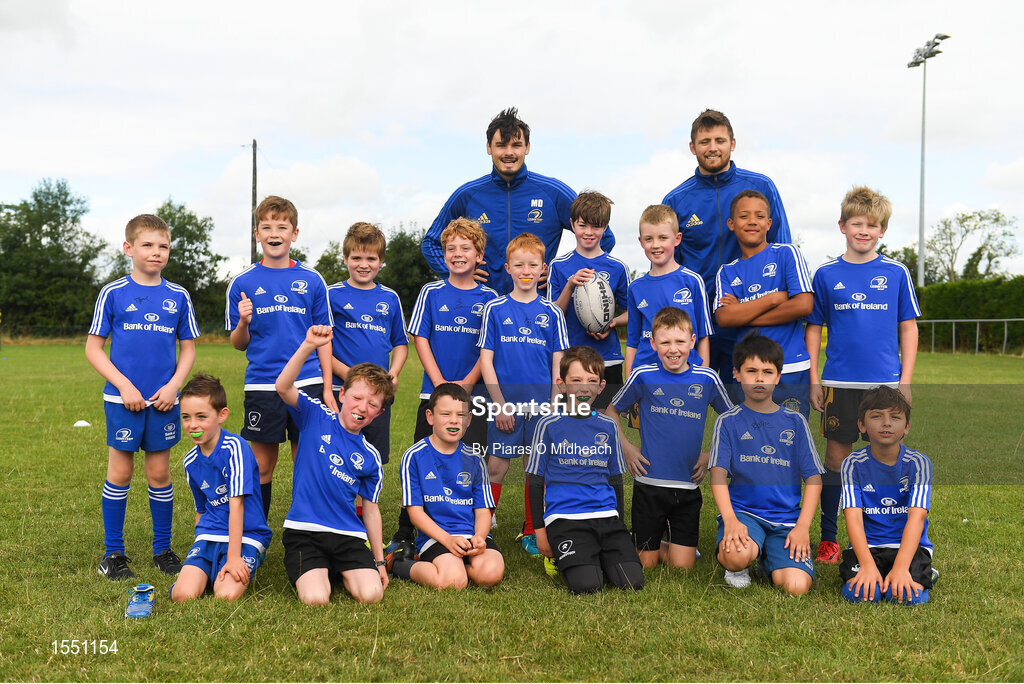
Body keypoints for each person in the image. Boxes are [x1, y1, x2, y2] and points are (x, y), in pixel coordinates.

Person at [805, 186, 921, 563]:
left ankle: (877, 536)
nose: (864, 231)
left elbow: (908, 327)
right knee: (836, 461)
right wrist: (814, 378)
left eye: (873, 225)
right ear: (842, 225)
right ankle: (829, 538)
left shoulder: (895, 272)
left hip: (884, 386)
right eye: (857, 223)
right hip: (839, 384)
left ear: (882, 231)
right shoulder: (825, 274)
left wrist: (905, 381)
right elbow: (813, 328)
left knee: (884, 457)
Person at [86, 213, 199, 580]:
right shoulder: (113, 293)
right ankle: (113, 555)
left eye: (163, 246)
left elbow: (188, 350)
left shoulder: (178, 295)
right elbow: (93, 349)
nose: (156, 252)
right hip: (123, 401)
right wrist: (124, 385)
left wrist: (174, 387)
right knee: (120, 473)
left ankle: (163, 550)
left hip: (164, 402)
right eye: (147, 245)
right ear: (128, 248)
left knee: (160, 473)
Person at [386, 218, 499, 560]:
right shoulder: (431, 292)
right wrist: (439, 383)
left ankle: (472, 530)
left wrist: (466, 383)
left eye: (466, 248)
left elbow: (489, 347)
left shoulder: (490, 298)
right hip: (431, 394)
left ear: (480, 255)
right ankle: (406, 532)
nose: (458, 254)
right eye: (451, 249)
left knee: (468, 464)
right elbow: (419, 336)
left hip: (474, 397)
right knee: (425, 464)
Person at [421, 107, 615, 295]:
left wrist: (565, 275)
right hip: (481, 308)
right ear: (489, 147)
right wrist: (457, 273)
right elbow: (431, 243)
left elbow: (604, 238)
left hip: (539, 312)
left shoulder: (553, 192)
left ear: (527, 147)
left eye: (516, 145)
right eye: (501, 145)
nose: (509, 152)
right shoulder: (467, 195)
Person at [225, 196, 336, 521]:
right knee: (262, 466)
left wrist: (328, 388)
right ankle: (255, 535)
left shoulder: (313, 280)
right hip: (263, 385)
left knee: (309, 462)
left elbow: (324, 339)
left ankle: (309, 530)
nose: (275, 233)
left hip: (308, 384)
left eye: (282, 226)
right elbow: (238, 344)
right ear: (257, 234)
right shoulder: (242, 283)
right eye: (267, 226)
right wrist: (243, 322)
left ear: (294, 233)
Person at [662, 109, 791, 381]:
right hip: (698, 319)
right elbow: (668, 265)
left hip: (752, 316)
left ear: (732, 144)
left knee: (752, 402)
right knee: (691, 404)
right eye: (704, 141)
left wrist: (771, 303)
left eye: (719, 140)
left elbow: (782, 248)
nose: (712, 148)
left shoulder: (761, 186)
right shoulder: (676, 200)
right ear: (692, 147)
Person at [606, 306, 731, 569]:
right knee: (645, 563)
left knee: (682, 566)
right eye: (664, 342)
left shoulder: (706, 378)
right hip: (649, 482)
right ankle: (639, 543)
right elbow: (611, 411)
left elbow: (732, 420)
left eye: (680, 342)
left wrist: (710, 456)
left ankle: (675, 547)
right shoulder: (643, 375)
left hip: (688, 486)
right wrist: (627, 448)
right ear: (653, 343)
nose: (673, 349)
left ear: (692, 342)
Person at [276, 326, 392, 605]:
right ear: (342, 395)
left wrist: (378, 561)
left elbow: (371, 509)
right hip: (305, 531)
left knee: (372, 594)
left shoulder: (370, 455)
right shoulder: (314, 415)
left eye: (372, 404)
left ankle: (341, 568)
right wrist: (307, 346)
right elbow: (282, 386)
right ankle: (321, 570)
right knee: (316, 598)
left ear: (379, 412)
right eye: (357, 397)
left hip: (347, 535)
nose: (362, 407)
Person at [709, 332, 824, 595]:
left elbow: (814, 480)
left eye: (767, 371)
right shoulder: (727, 421)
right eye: (751, 371)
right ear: (737, 374)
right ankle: (740, 565)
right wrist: (730, 520)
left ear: (778, 377)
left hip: (786, 521)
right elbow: (717, 476)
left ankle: (767, 555)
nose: (759, 378)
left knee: (797, 588)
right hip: (744, 515)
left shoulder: (796, 422)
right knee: (736, 555)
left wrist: (802, 527)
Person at [478, 232, 568, 557]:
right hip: (505, 408)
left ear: (543, 268)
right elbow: (486, 360)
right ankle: (482, 531)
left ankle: (531, 532)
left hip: (542, 408)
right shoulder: (496, 309)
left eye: (533, 264)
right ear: (508, 268)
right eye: (519, 264)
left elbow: (559, 363)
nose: (526, 270)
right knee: (496, 468)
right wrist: (499, 406)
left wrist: (556, 406)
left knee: (536, 468)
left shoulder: (553, 313)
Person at [528, 346, 644, 594]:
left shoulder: (607, 426)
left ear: (601, 387)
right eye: (576, 380)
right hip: (566, 519)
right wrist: (540, 532)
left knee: (631, 582)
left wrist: (619, 524)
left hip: (606, 517)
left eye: (592, 381)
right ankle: (568, 556)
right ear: (561, 384)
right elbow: (535, 480)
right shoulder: (548, 425)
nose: (584, 388)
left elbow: (615, 480)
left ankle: (600, 553)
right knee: (588, 585)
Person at [392, 383, 505, 589]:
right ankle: (401, 564)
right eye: (445, 414)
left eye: (461, 415)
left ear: (469, 419)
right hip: (437, 536)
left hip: (471, 535)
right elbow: (415, 513)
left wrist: (479, 537)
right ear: (430, 417)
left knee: (491, 574)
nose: (454, 420)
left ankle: (460, 567)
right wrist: (447, 540)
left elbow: (483, 512)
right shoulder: (415, 456)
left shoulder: (475, 459)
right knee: (453, 582)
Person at [171, 374, 272, 602]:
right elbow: (201, 509)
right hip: (210, 534)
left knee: (226, 595)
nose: (193, 425)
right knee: (182, 595)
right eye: (186, 417)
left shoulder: (235, 448)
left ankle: (248, 557)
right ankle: (205, 569)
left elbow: (237, 504)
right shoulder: (189, 461)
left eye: (201, 416)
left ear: (221, 415)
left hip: (246, 535)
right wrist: (197, 545)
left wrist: (234, 558)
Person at [714, 190, 813, 413]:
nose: (752, 221)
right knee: (750, 441)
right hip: (747, 371)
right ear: (731, 223)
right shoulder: (727, 272)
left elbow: (803, 305)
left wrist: (744, 313)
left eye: (759, 216)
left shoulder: (787, 254)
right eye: (744, 216)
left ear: (769, 224)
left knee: (788, 440)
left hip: (790, 367)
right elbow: (725, 318)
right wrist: (772, 299)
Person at [839, 386, 934, 605]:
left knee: (906, 597)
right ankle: (876, 572)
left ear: (907, 427)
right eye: (876, 416)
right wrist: (867, 565)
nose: (887, 423)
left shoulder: (918, 463)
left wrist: (901, 567)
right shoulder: (852, 464)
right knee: (861, 595)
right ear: (862, 425)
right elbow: (852, 517)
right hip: (868, 548)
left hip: (909, 548)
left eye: (895, 417)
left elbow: (917, 517)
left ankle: (922, 571)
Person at [326, 221, 409, 464]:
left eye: (371, 258)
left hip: (377, 392)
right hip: (341, 390)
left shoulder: (390, 297)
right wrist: (350, 374)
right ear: (345, 258)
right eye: (357, 257)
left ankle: (367, 503)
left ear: (381, 261)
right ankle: (340, 503)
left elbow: (401, 344)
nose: (364, 265)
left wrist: (392, 374)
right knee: (338, 454)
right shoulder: (331, 295)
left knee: (372, 455)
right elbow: (322, 347)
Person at [547, 191, 631, 409]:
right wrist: (569, 285)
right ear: (573, 224)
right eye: (583, 225)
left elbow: (634, 313)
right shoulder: (559, 265)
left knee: (605, 422)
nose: (589, 232)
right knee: (570, 424)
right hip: (569, 358)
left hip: (608, 358)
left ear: (605, 227)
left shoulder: (617, 267)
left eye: (596, 226)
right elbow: (551, 316)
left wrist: (611, 323)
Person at [626, 204, 712, 376]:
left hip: (685, 374)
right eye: (649, 239)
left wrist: (703, 379)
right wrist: (629, 381)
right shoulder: (636, 287)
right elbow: (632, 341)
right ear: (641, 242)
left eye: (663, 238)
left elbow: (702, 336)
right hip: (646, 375)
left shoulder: (692, 281)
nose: (655, 245)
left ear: (677, 239)